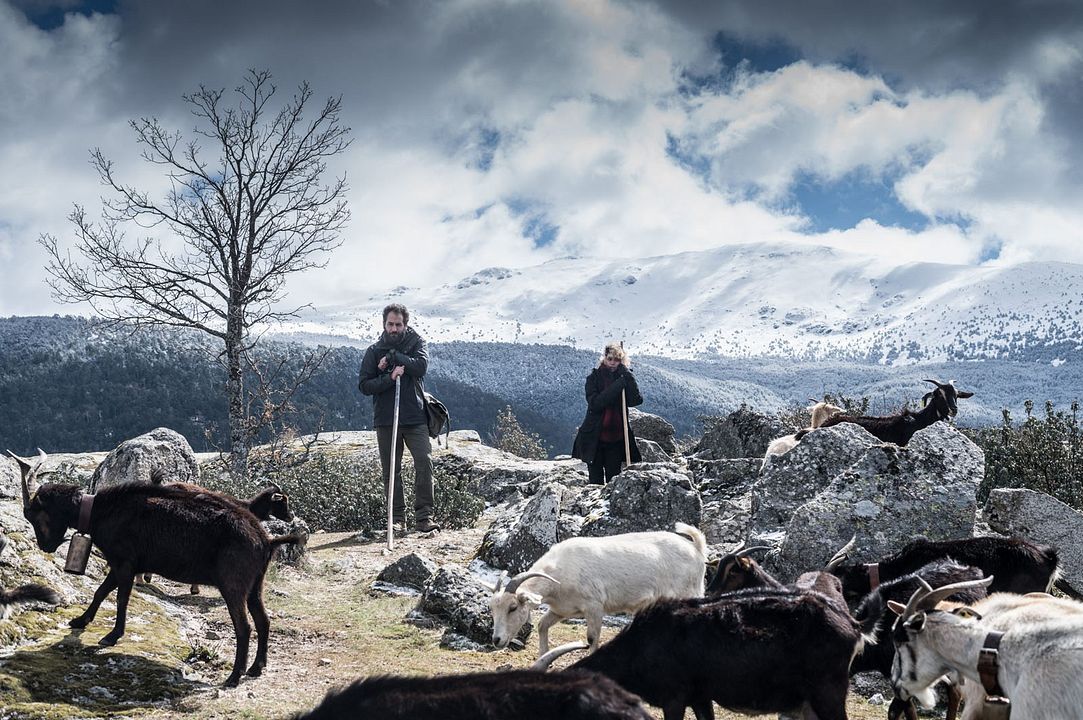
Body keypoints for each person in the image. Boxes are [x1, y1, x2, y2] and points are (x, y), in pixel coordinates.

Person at [358, 303, 439, 534]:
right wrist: (390, 378)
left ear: (405, 324)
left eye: (398, 324)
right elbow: (364, 385)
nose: (394, 329)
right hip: (386, 419)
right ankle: (397, 519)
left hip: (415, 417)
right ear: (384, 324)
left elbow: (420, 367)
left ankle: (424, 518)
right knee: (391, 470)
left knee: (424, 462)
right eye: (390, 324)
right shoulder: (374, 351)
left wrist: (395, 356)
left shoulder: (417, 343)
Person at [571, 343, 643, 484]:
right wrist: (618, 385)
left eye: (617, 359)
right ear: (604, 358)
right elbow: (595, 403)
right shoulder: (594, 378)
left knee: (613, 481)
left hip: (616, 439)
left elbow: (636, 400)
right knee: (595, 482)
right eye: (610, 358)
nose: (612, 362)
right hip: (594, 438)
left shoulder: (623, 377)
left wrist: (628, 376)